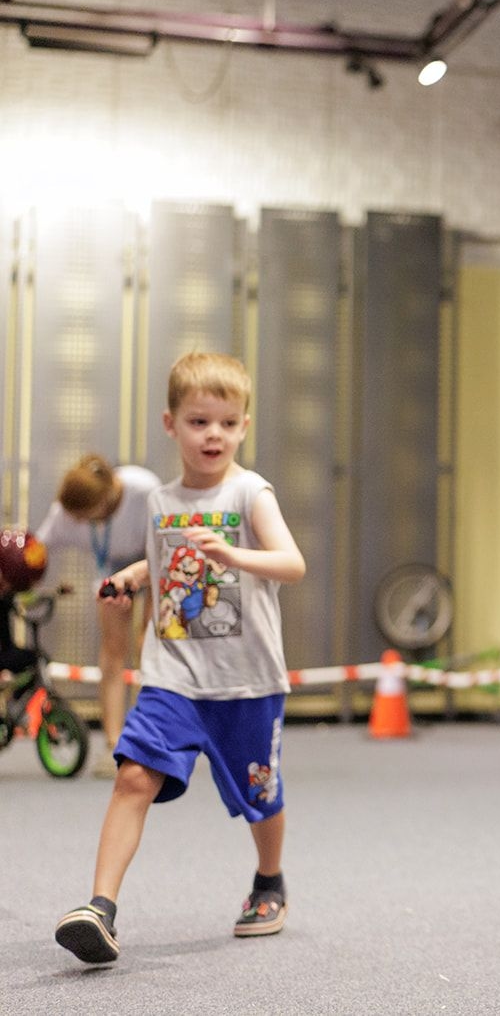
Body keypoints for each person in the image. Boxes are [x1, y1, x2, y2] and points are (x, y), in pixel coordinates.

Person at [54, 351, 306, 964]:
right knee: (133, 776)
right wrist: (137, 576)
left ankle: (269, 880)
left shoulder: (251, 492)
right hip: (173, 674)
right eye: (198, 422)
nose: (212, 434)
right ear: (171, 425)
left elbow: (291, 564)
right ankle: (101, 908)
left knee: (259, 795)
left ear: (244, 426)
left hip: (246, 681)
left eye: (226, 422)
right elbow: (170, 559)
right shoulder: (161, 501)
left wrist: (233, 555)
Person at [34, 454, 162, 778]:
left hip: (156, 565)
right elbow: (37, 552)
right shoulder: (67, 512)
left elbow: (169, 544)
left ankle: (152, 739)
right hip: (112, 572)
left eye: (85, 517)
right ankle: (114, 743)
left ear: (106, 500)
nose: (78, 523)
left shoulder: (145, 490)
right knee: (112, 651)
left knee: (149, 644)